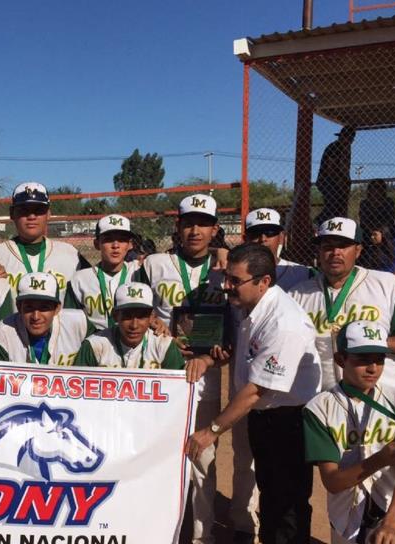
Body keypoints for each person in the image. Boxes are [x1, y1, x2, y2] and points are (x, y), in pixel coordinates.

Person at [186, 244, 321, 544]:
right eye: (227, 278)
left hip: (288, 421)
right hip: (267, 418)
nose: (227, 286)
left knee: (288, 505)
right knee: (271, 497)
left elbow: (256, 389)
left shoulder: (283, 323)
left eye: (236, 281)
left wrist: (212, 430)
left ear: (264, 282)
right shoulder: (253, 308)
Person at [137, 193, 226, 544]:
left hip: (207, 372)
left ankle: (201, 535)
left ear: (214, 229)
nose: (195, 230)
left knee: (203, 458)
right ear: (178, 226)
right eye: (188, 222)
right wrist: (150, 323)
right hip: (163, 371)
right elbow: (133, 303)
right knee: (155, 453)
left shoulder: (225, 270)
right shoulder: (155, 263)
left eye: (203, 223)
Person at [303, 321, 395, 544]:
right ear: (341, 360)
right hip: (346, 516)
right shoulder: (319, 409)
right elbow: (332, 482)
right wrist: (381, 459)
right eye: (363, 359)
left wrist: (391, 524)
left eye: (379, 360)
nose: (373, 368)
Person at [288, 218, 395, 392]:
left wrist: (366, 342)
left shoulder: (389, 286)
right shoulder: (296, 295)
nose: (335, 253)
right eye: (328, 246)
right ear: (319, 251)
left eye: (343, 246)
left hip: (378, 401)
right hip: (320, 404)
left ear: (358, 250)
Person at [0, 182, 90, 303]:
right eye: (24, 210)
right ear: (12, 213)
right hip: (10, 322)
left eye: (39, 210)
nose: (32, 216)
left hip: (58, 321)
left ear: (48, 214)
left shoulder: (70, 253)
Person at [0, 272, 94, 365]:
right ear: (19, 307)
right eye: (29, 308)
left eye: (44, 308)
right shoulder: (2, 334)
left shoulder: (79, 323)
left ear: (57, 308)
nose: (36, 316)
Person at [74, 282, 184, 369]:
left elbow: (178, 391)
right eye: (127, 316)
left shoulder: (164, 345)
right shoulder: (95, 345)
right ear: (116, 316)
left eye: (141, 316)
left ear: (151, 317)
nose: (134, 325)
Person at [66, 214, 142, 330]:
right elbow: (70, 321)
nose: (115, 245)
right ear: (97, 244)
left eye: (122, 240)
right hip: (94, 343)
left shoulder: (139, 272)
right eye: (108, 239)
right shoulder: (80, 279)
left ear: (130, 244)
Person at [316, 126, 356, 223]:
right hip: (328, 181)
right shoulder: (336, 147)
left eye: (351, 139)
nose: (349, 141)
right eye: (347, 138)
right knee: (332, 206)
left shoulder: (345, 148)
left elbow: (344, 168)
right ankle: (318, 224)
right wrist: (341, 182)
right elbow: (331, 168)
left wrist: (345, 182)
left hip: (338, 182)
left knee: (339, 208)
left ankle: (336, 227)